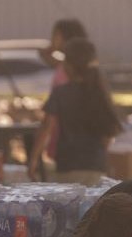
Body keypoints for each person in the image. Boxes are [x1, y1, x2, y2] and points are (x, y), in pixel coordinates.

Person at [29, 38, 119, 186]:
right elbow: (108, 136)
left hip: (68, 166)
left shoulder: (61, 93)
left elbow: (46, 128)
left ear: (69, 66)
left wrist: (33, 160)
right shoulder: (101, 93)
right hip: (96, 166)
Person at [38, 19, 89, 162]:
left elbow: (49, 121)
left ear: (64, 37)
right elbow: (45, 56)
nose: (52, 39)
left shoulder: (68, 68)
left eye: (55, 35)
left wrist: (34, 158)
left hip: (67, 132)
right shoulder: (71, 65)